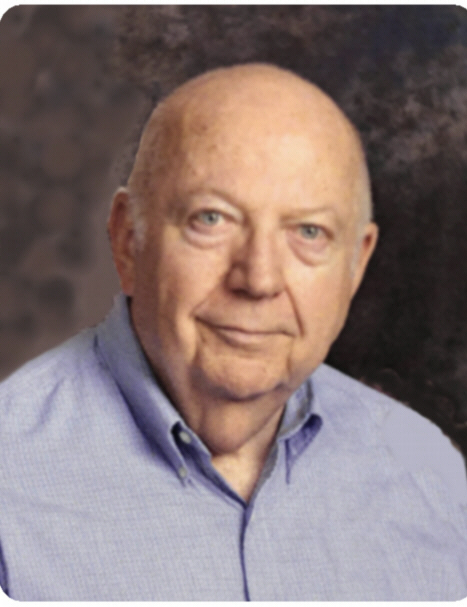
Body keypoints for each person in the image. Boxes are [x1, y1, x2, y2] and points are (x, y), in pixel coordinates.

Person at [0, 63, 466, 601]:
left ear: (355, 265)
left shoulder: (430, 476)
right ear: (128, 240)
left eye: (308, 231)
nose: (258, 279)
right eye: (211, 219)